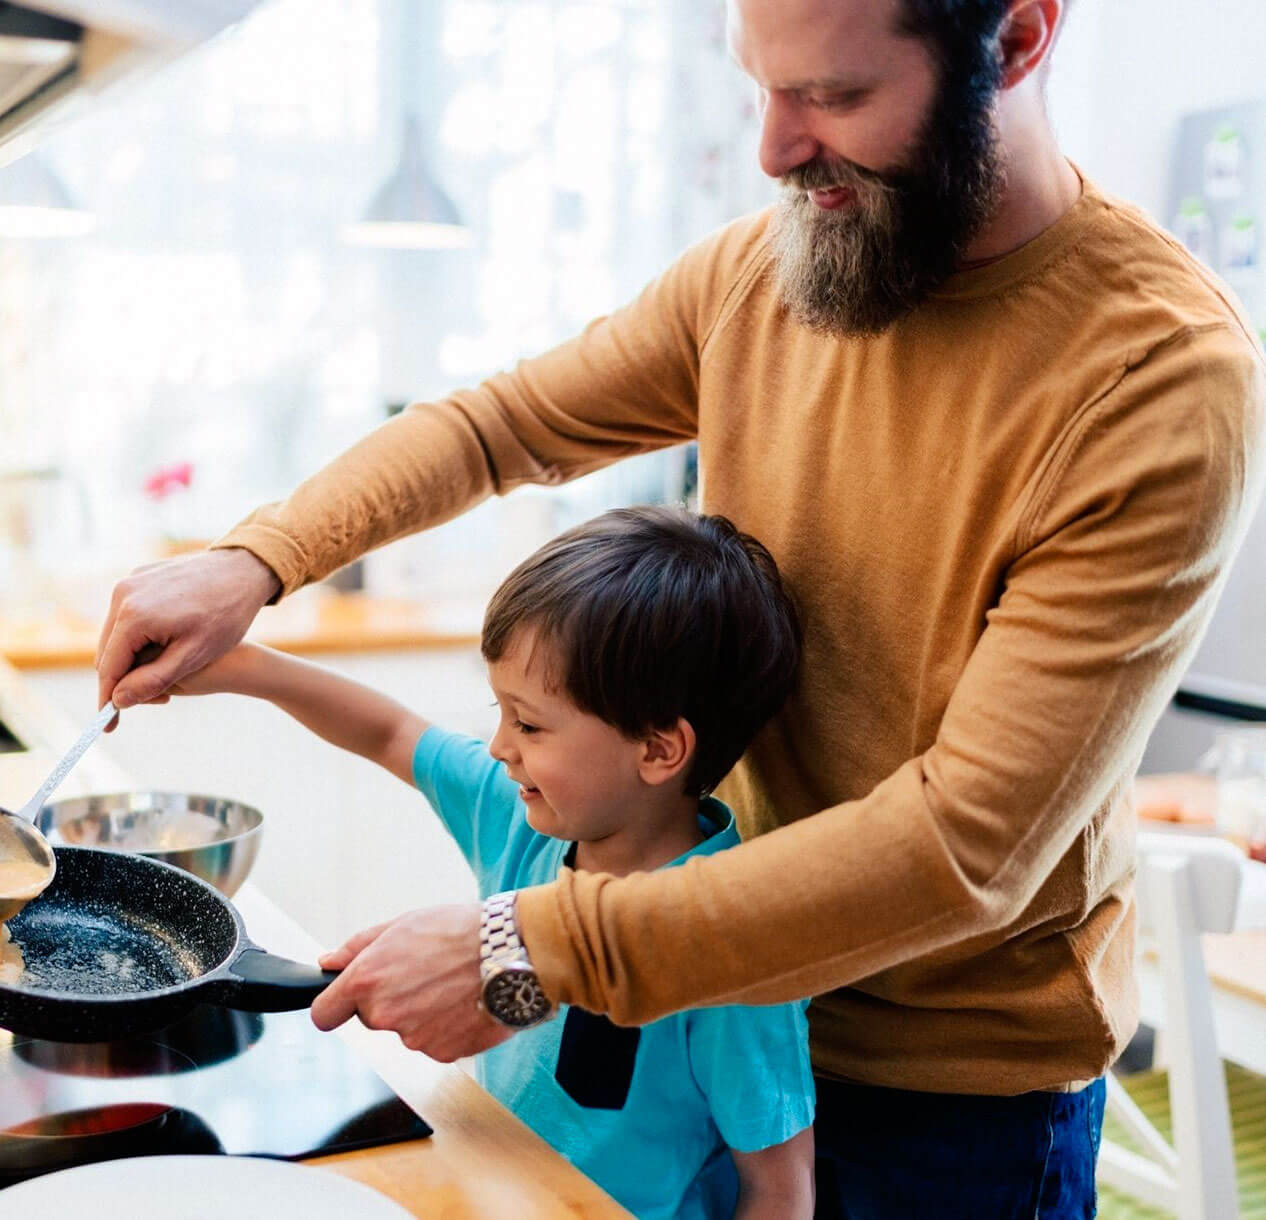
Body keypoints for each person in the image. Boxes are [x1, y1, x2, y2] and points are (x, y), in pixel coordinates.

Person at [95, 0, 1265, 1213]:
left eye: (835, 96)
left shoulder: (1159, 377)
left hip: (943, 1094)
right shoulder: (763, 270)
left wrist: (534, 943)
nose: (772, 148)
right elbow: (501, 426)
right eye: (756, 85)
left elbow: (964, 845)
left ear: (1017, 39)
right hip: (703, 1000)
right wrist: (257, 560)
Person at [165, 507, 815, 1220]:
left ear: (659, 750)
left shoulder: (738, 955)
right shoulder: (521, 817)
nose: (500, 746)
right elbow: (389, 730)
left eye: (530, 723)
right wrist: (242, 666)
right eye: (498, 710)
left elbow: (779, 1187)